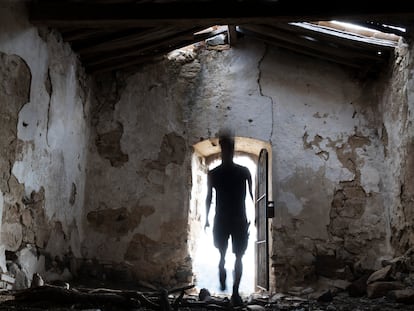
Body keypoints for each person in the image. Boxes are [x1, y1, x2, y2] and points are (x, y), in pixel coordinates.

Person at [204, 132, 253, 305]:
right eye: (226, 148)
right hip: (224, 219)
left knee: (239, 256)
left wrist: (257, 216)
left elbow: (254, 197)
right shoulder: (215, 174)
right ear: (223, 149)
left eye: (229, 148)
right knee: (223, 254)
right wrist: (206, 219)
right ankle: (222, 267)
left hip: (237, 219)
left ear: (232, 150)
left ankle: (235, 292)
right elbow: (209, 197)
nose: (227, 151)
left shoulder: (243, 172)